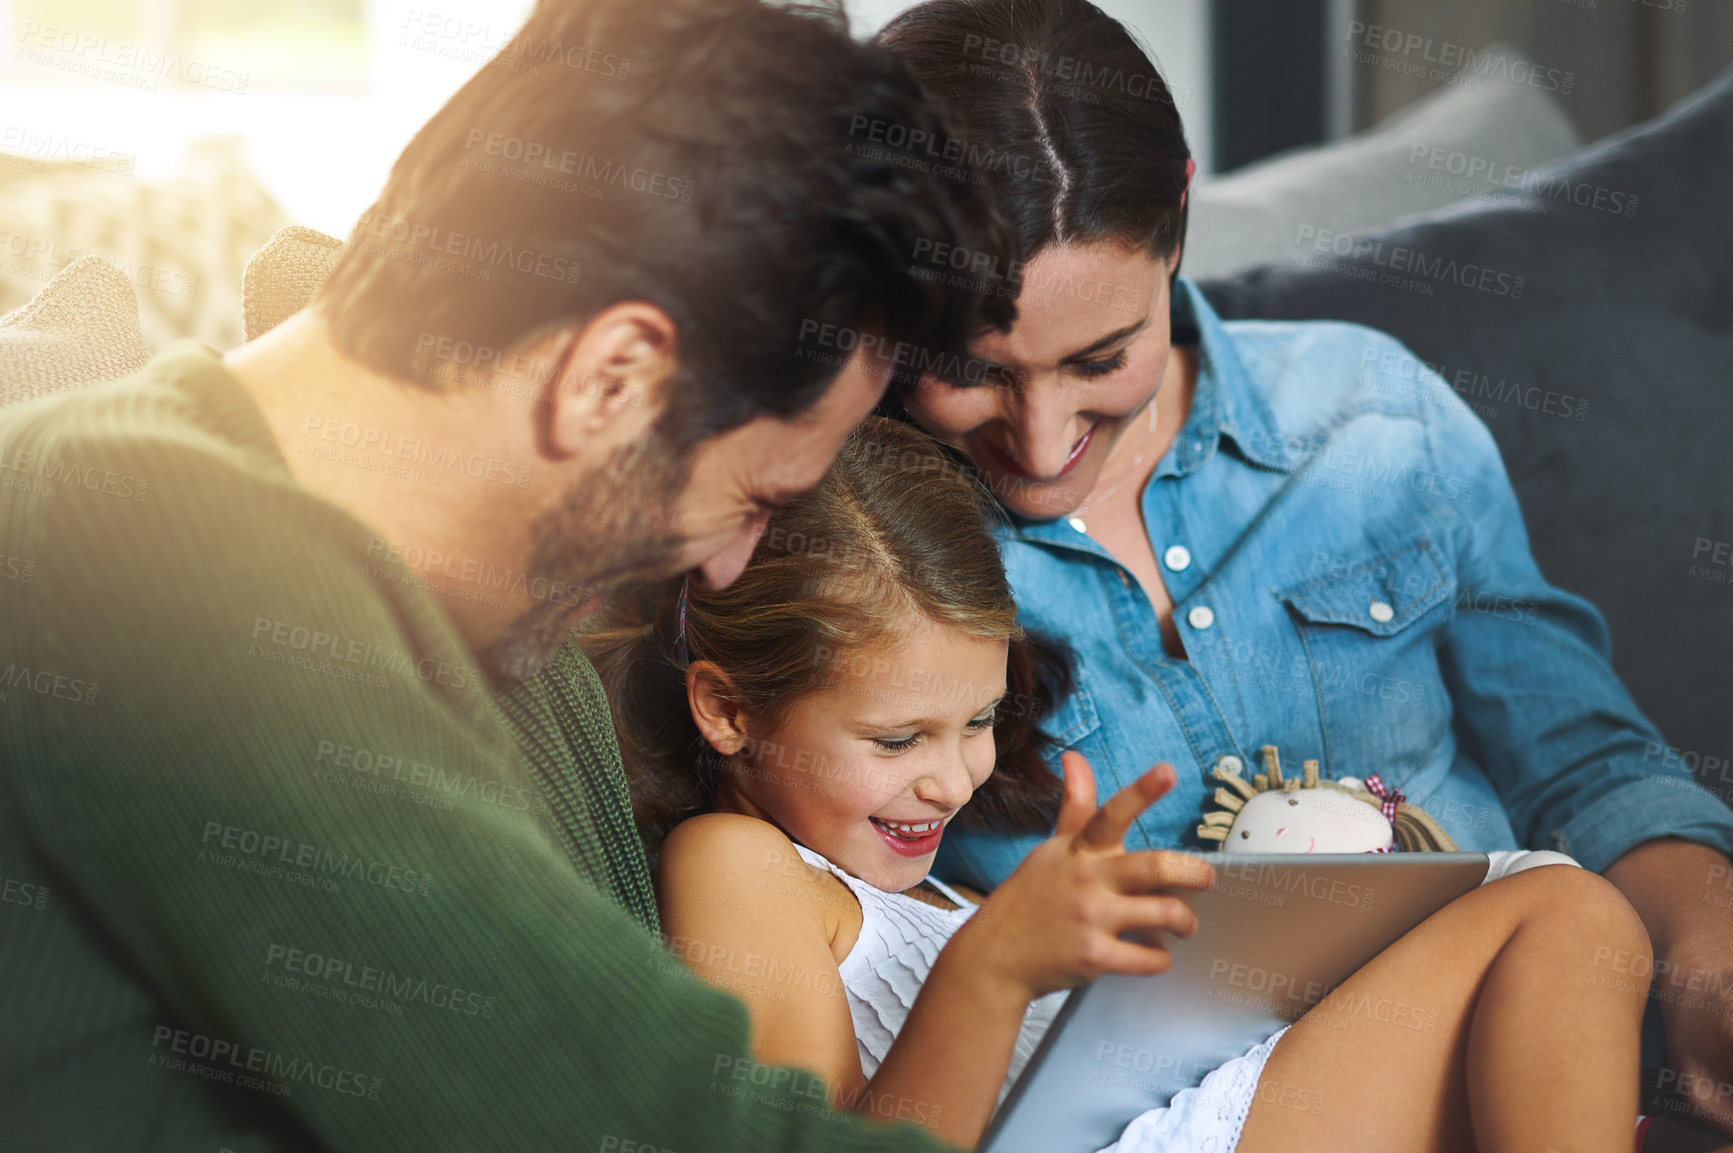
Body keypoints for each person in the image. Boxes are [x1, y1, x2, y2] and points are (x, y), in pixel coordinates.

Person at [0, 1, 1016, 1149]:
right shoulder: (147, 545)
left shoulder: (516, 647)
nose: (728, 565)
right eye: (754, 500)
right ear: (609, 377)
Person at [875, 0, 1733, 1136]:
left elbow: (1583, 764)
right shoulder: (869, 542)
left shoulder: (1370, 413)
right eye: (970, 370)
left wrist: (1705, 952)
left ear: (1176, 218)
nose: (1037, 445)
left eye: (1098, 358)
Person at [592, 416, 1657, 1153]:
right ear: (727, 710)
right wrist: (991, 968)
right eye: (895, 737)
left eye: (974, 721)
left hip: (1176, 1110)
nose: (950, 778)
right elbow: (819, 1144)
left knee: (1547, 928)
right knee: (1561, 914)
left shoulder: (921, 885)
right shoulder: (732, 859)